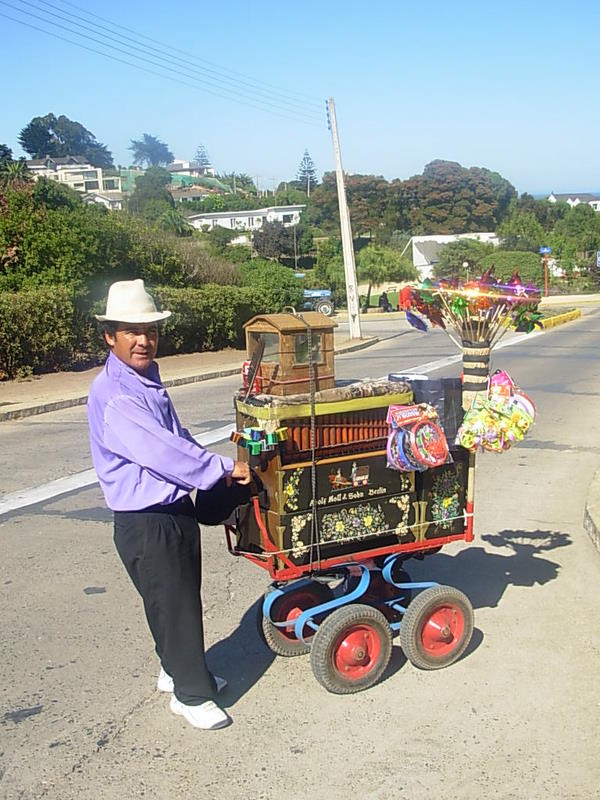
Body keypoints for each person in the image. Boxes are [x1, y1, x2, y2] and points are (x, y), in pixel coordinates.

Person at [87, 279, 251, 731]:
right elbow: (165, 452)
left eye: (150, 330)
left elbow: (179, 436)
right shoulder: (117, 394)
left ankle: (174, 668)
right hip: (147, 519)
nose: (144, 340)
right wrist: (222, 469)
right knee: (174, 603)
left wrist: (212, 465)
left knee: (171, 601)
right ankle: (191, 694)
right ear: (110, 336)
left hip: (169, 511)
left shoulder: (144, 378)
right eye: (131, 332)